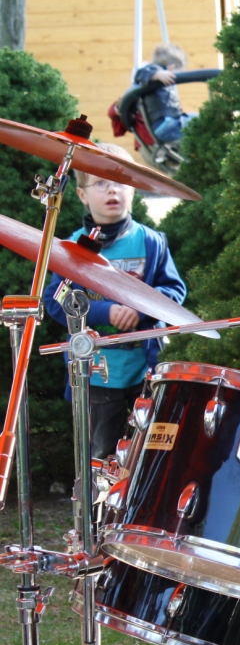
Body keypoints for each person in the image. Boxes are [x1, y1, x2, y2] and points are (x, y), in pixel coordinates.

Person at [43, 143, 187, 459]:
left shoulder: (151, 242)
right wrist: (104, 311)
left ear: (132, 190)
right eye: (100, 183)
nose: (112, 190)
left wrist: (141, 308)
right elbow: (56, 300)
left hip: (146, 370)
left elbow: (174, 290)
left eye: (120, 182)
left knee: (149, 456)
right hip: (95, 373)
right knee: (100, 456)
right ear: (82, 195)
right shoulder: (71, 248)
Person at [133, 43, 196, 143]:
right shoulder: (155, 70)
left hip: (169, 124)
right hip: (164, 126)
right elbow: (139, 74)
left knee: (194, 118)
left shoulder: (162, 83)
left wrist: (176, 111)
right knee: (199, 119)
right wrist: (157, 74)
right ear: (172, 68)